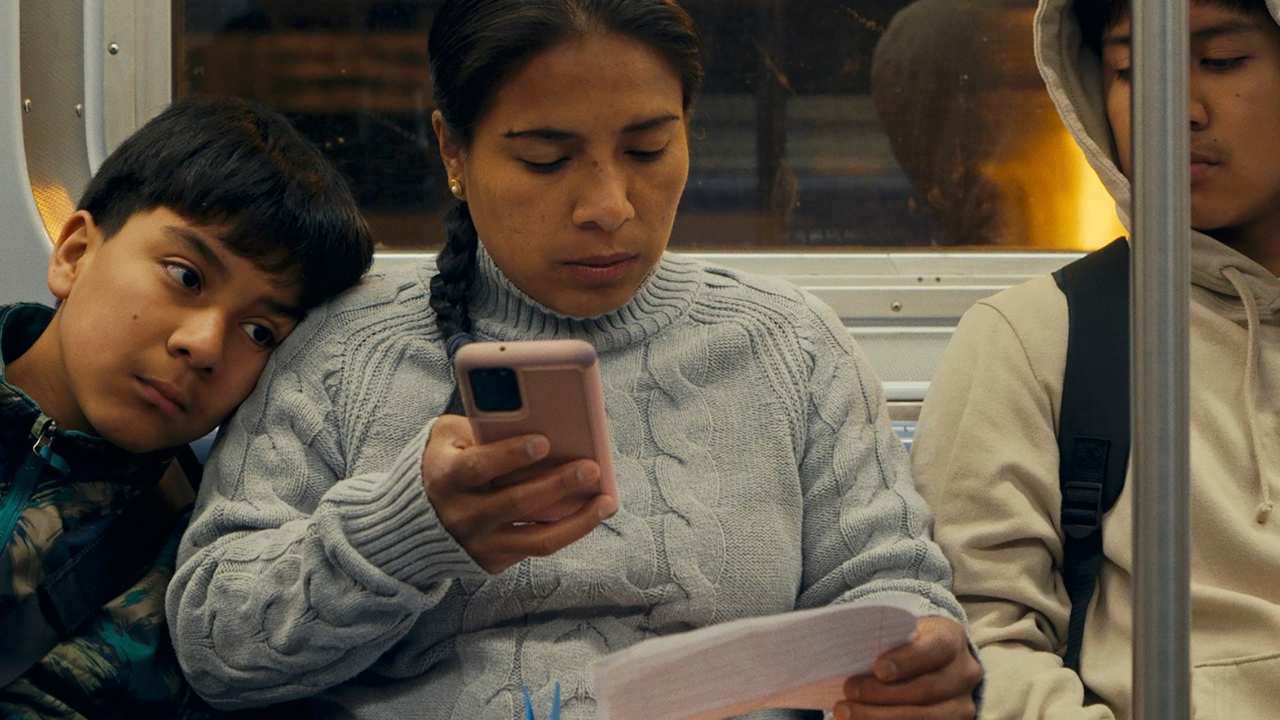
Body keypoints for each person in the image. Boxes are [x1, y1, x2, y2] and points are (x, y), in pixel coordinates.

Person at [166, 1, 982, 718]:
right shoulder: (343, 354)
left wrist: (921, 661)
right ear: (453, 150)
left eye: (649, 150)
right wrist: (407, 531)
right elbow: (214, 647)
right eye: (546, 160)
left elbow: (891, 583)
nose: (608, 207)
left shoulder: (789, 345)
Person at [911, 0, 1280, 717]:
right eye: (1132, 70)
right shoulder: (1040, 337)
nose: (1178, 108)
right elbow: (977, 638)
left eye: (1224, 62)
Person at [0, 96, 374, 718]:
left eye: (259, 333)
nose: (203, 346)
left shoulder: (210, 579)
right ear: (74, 255)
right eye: (186, 276)